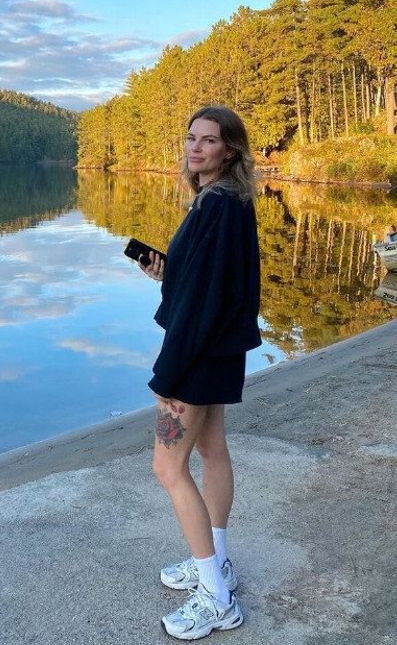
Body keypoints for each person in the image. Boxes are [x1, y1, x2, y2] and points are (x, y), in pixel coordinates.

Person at [139, 105, 260, 640]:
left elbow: (203, 302)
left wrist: (167, 376)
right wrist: (167, 272)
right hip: (217, 349)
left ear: (229, 150)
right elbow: (205, 282)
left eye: (208, 140)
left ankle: (216, 597)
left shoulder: (218, 206)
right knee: (211, 451)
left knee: (168, 468)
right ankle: (217, 562)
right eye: (191, 138)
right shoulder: (226, 201)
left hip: (197, 353)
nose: (195, 147)